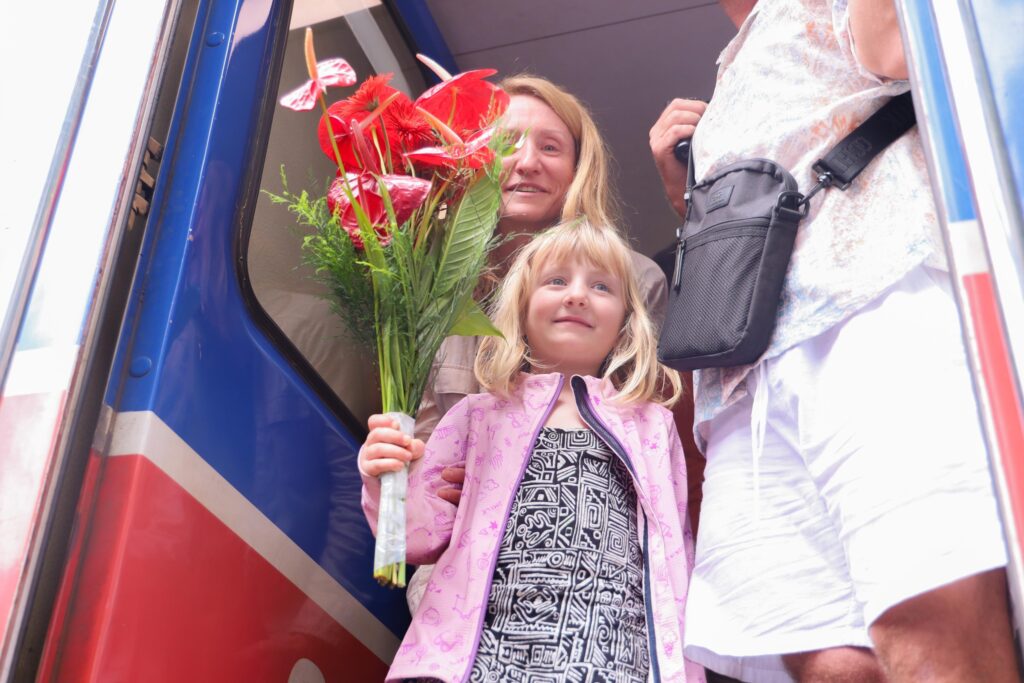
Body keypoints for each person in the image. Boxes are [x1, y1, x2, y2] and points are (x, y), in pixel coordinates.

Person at [649, 1, 1018, 682]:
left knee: (926, 616)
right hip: (743, 383)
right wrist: (686, 192)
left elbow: (902, 46)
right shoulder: (726, 68)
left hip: (871, 307)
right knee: (831, 662)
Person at [358, 220, 705, 682]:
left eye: (601, 286)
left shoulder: (651, 424)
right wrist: (387, 478)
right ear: (520, 309)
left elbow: (674, 551)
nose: (577, 295)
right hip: (489, 658)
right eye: (556, 281)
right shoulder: (477, 416)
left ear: (625, 321)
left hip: (616, 659)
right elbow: (416, 539)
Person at [401, 74, 679, 612]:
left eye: (550, 147)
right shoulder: (431, 289)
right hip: (461, 568)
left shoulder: (637, 281)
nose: (526, 162)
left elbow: (652, 439)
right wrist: (426, 483)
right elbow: (420, 451)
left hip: (596, 560)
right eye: (505, 144)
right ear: (475, 159)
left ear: (578, 169)